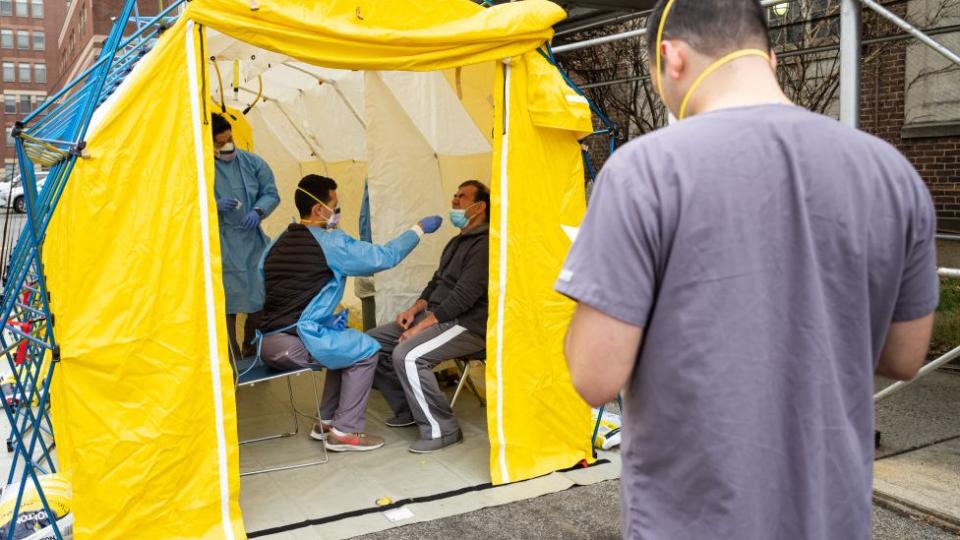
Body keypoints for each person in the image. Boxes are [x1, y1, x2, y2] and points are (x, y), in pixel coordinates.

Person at [556, 1, 938, 539]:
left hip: (694, 521)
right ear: (772, 60)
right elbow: (904, 356)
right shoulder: (892, 173)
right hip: (834, 518)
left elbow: (595, 377)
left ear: (671, 58)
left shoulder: (644, 172)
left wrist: (596, 283)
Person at [258, 174, 442, 452]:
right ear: (319, 209)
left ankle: (327, 422)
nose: (337, 212)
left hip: (268, 342)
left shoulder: (279, 240)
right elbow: (383, 257)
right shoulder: (329, 242)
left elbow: (276, 292)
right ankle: (346, 432)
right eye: (335, 205)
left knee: (343, 347)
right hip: (293, 344)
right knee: (368, 349)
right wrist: (417, 230)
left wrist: (321, 319)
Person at [368, 180, 490, 454]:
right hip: (437, 317)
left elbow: (463, 297)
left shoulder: (485, 245)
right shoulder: (457, 241)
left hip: (466, 324)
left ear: (479, 206)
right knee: (370, 344)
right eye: (454, 195)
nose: (455, 201)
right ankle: (409, 410)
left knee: (407, 355)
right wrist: (414, 310)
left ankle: (443, 429)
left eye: (462, 197)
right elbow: (437, 283)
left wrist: (421, 326)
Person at [212, 112, 280, 362]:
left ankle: (252, 349)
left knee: (260, 297)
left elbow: (271, 192)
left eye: (229, 139)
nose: (227, 146)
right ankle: (231, 359)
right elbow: (187, 201)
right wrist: (213, 205)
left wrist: (258, 210)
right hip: (221, 242)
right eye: (220, 143)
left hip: (252, 241)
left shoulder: (253, 163)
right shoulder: (200, 169)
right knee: (226, 305)